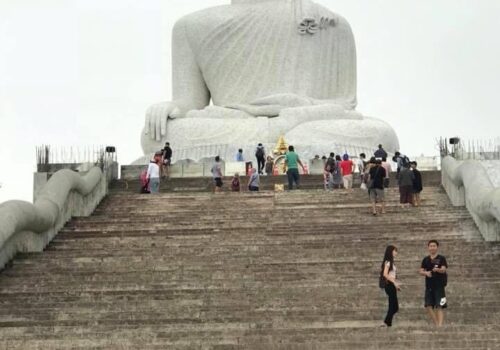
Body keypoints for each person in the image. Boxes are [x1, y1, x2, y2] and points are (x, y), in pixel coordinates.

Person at [419, 240, 448, 327]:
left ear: (437, 247)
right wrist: (426, 273)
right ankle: (436, 324)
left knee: (440, 306)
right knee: (428, 305)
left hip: (440, 286)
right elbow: (420, 270)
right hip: (429, 286)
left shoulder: (441, 258)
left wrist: (438, 270)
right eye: (430, 246)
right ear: (428, 247)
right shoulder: (426, 259)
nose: (432, 247)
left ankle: (440, 325)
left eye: (434, 246)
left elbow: (444, 269)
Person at [381, 245, 401, 327]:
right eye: (395, 251)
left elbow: (391, 275)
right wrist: (394, 282)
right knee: (393, 305)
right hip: (389, 285)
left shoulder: (391, 262)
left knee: (394, 306)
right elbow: (385, 274)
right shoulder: (388, 262)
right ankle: (386, 322)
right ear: (390, 251)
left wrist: (396, 284)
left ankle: (388, 323)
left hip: (392, 285)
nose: (396, 253)